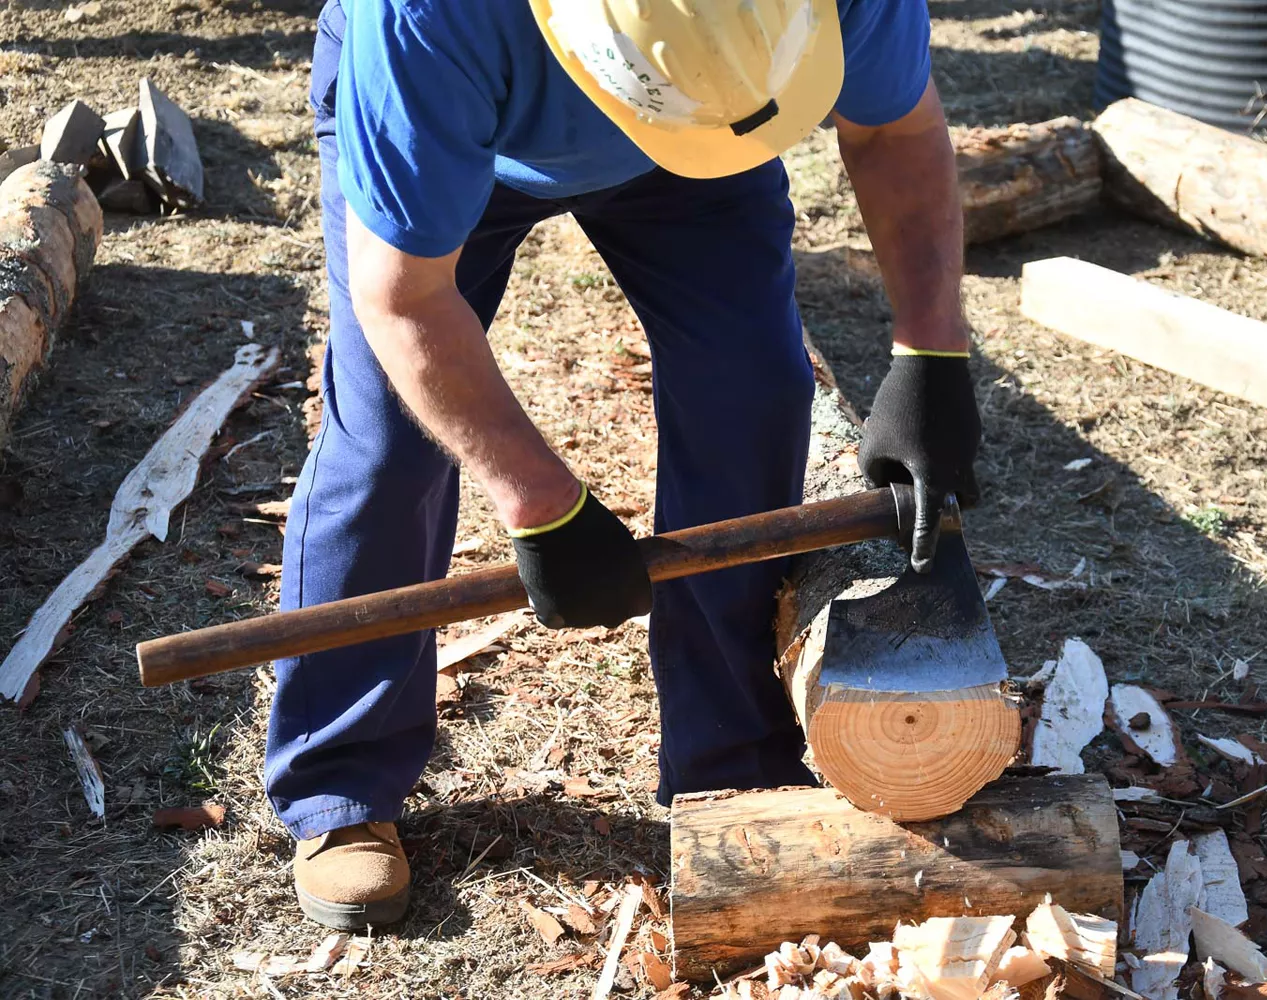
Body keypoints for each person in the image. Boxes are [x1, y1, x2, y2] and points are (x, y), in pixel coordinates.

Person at [270, 0, 983, 929]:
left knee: (752, 394)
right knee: (390, 446)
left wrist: (932, 354)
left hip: (703, 134)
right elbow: (405, 301)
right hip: (467, 115)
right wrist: (541, 503)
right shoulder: (427, 20)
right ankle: (341, 787)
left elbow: (893, 127)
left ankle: (728, 767)